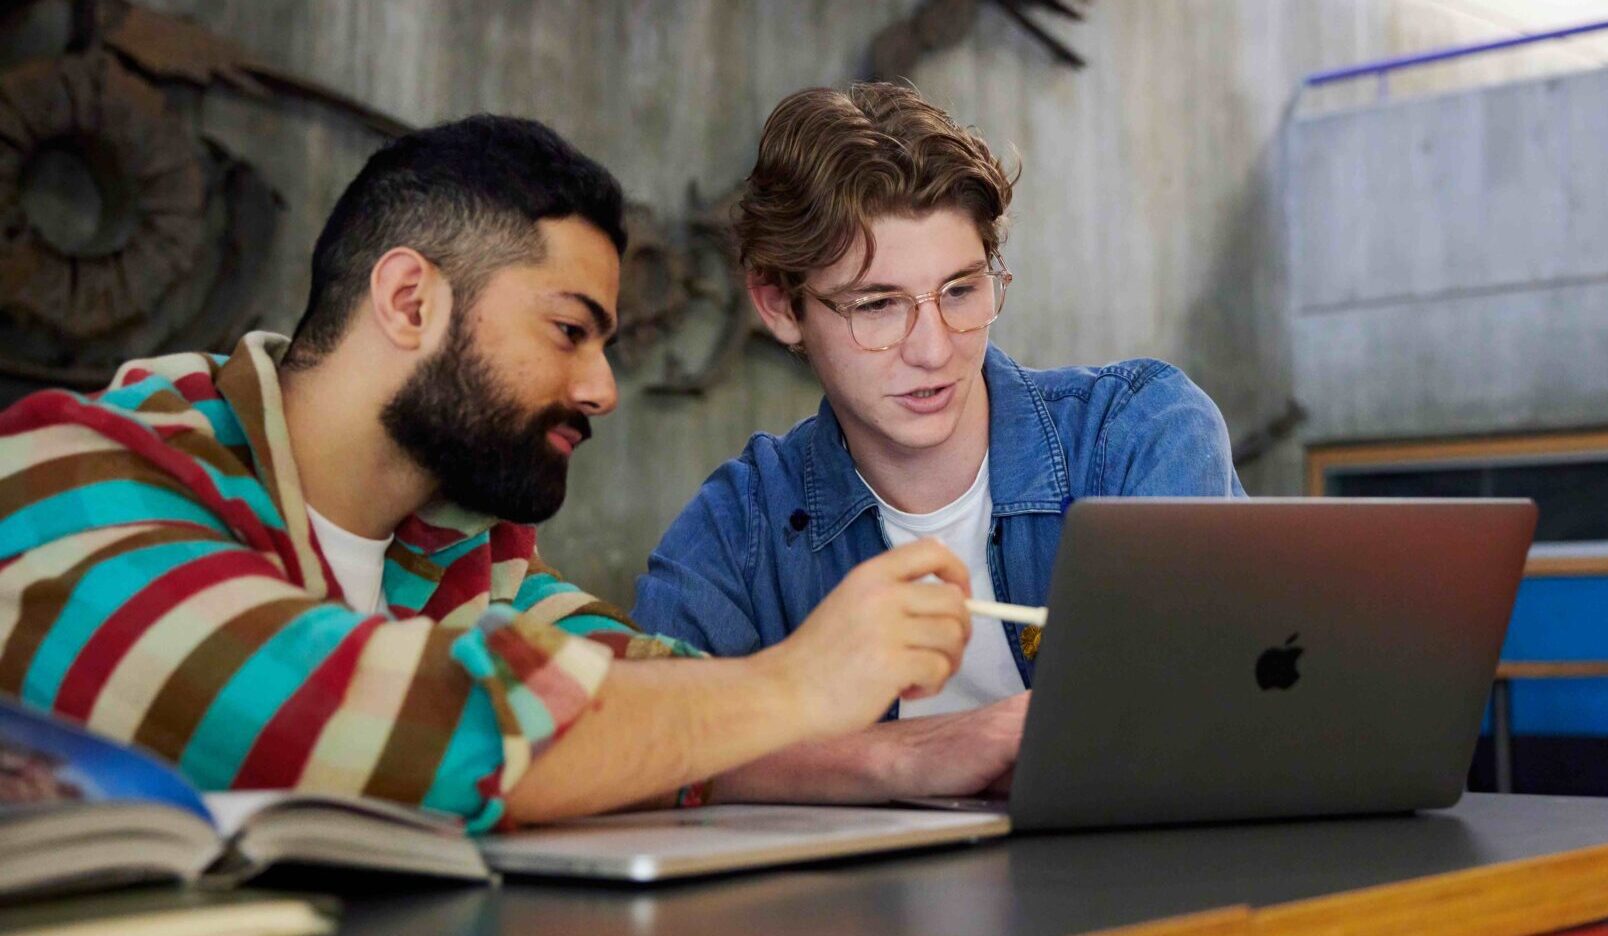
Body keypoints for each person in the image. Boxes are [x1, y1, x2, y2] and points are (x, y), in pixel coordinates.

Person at [0, 115, 976, 831]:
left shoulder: (459, 559)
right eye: (567, 331)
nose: (601, 388)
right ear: (411, 299)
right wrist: (802, 682)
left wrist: (929, 751)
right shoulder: (70, 480)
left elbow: (664, 713)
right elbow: (362, 726)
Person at [633, 83, 1244, 802]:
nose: (933, 350)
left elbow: (1213, 719)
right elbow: (646, 750)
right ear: (778, 305)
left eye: (960, 291)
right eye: (878, 305)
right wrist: (903, 757)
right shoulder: (740, 527)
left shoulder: (1139, 431)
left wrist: (802, 757)